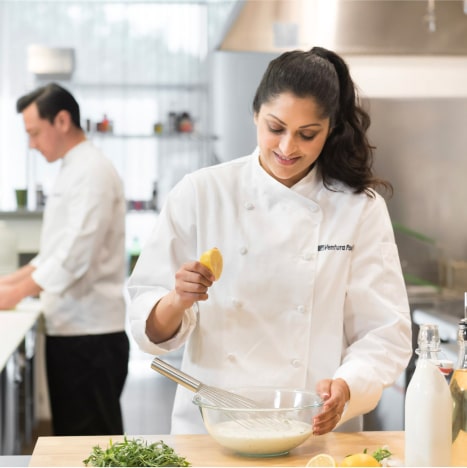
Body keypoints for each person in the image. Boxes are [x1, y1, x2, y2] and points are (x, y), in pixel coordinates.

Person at [128, 47, 412, 435]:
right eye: (275, 128)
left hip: (312, 430)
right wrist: (178, 300)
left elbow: (384, 332)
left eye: (307, 134)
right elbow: (148, 330)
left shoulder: (358, 209)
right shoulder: (202, 193)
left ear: (330, 130)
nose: (287, 147)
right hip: (214, 432)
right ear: (255, 115)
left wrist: (347, 387)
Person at [0, 83, 129, 436]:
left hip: (90, 335)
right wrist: (10, 283)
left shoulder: (92, 171)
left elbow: (75, 256)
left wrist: (14, 293)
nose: (31, 144)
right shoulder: (75, 169)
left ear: (62, 120)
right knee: (77, 438)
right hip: (75, 330)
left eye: (35, 133)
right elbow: (55, 251)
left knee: (90, 444)